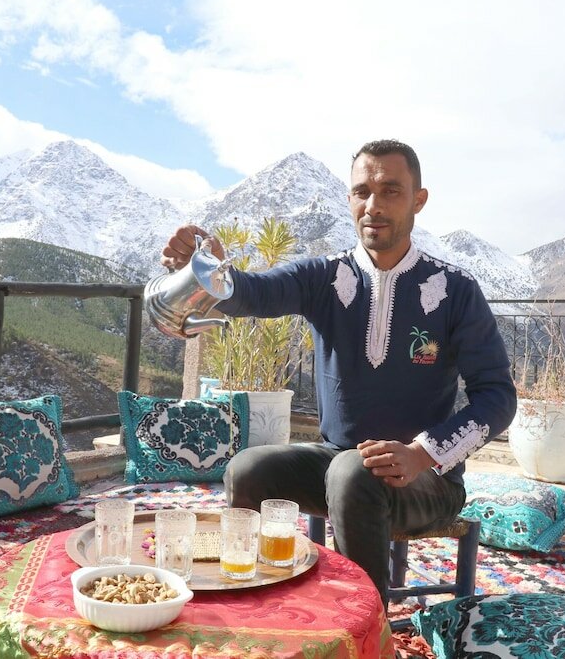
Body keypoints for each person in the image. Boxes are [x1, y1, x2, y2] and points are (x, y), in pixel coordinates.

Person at [160, 139, 517, 606]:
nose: (374, 205)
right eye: (362, 191)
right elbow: (254, 293)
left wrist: (422, 453)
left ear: (418, 200)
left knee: (353, 474)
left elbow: (497, 398)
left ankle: (366, 633)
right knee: (248, 468)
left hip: (425, 481)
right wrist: (204, 273)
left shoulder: (455, 290)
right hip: (335, 459)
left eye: (391, 191)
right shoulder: (324, 277)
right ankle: (262, 609)